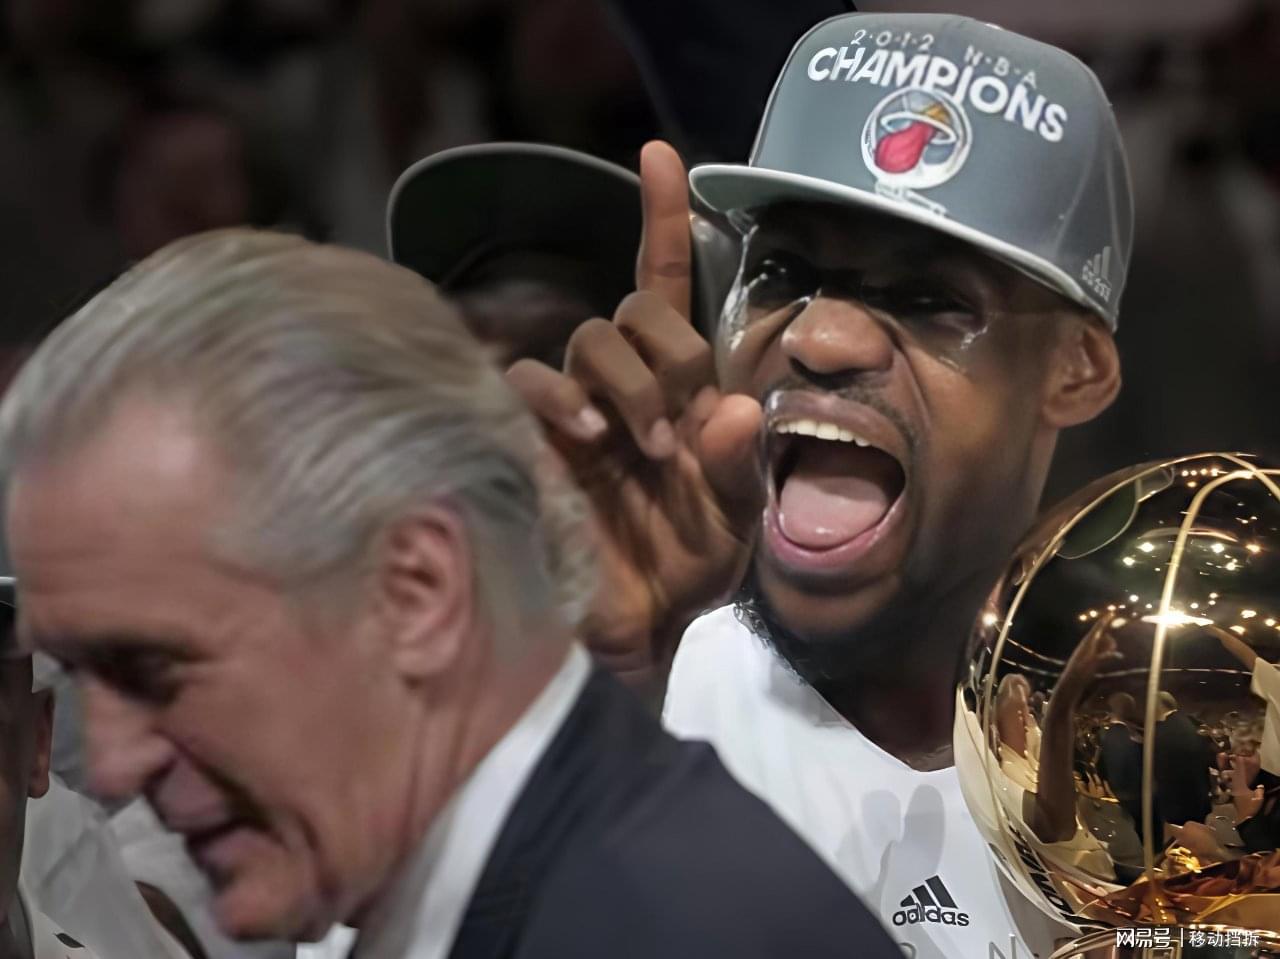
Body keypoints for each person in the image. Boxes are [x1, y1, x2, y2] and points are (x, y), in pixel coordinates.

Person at [0, 229, 899, 959]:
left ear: (419, 589)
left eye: (154, 669)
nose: (109, 765)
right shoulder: (493, 891)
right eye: (83, 676)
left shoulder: (673, 930)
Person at [510, 12, 1129, 955]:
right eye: (781, 272)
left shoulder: (1178, 761)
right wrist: (579, 706)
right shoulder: (624, 688)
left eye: (930, 299)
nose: (819, 337)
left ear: (1075, 368)